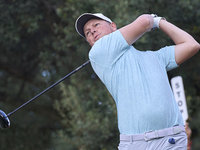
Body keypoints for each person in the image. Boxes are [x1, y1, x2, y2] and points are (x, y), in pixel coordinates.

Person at [75, 13, 200, 150]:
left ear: (113, 26)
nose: (92, 31)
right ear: (89, 42)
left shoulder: (155, 57)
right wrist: (154, 20)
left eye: (96, 25)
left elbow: (192, 45)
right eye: (87, 33)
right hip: (136, 144)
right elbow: (145, 21)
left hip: (172, 140)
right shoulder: (98, 52)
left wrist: (159, 21)